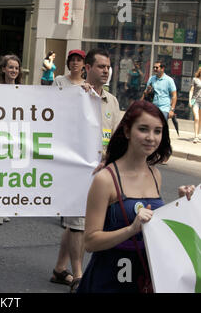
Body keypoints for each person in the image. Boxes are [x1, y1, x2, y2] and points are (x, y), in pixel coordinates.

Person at [77, 100, 195, 293]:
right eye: (143, 129)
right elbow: (90, 241)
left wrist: (183, 203)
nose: (151, 137)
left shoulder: (155, 174)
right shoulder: (106, 179)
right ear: (126, 132)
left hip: (144, 279)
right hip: (108, 281)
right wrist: (130, 229)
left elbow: (154, 229)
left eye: (157, 131)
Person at [50, 48, 121, 292]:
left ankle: (60, 269)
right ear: (87, 68)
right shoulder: (74, 96)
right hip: (78, 168)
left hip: (102, 171)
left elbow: (117, 136)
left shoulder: (111, 100)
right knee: (79, 221)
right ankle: (79, 276)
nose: (106, 71)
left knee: (75, 222)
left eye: (108, 67)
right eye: (101, 66)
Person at [0, 54, 22, 225]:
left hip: (15, 136)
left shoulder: (23, 90)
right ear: (3, 69)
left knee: (11, 173)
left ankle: (5, 206)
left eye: (16, 68)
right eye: (10, 67)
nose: (13, 71)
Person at [188, 67, 201, 143]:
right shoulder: (195, 79)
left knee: (200, 119)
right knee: (196, 118)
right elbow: (191, 90)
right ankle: (196, 136)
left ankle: (198, 135)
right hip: (195, 101)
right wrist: (190, 100)